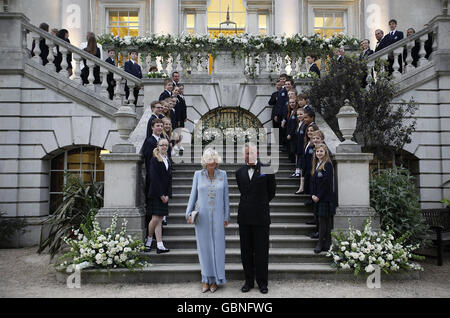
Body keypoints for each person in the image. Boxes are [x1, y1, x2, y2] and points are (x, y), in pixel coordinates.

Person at [186, 148, 230, 293]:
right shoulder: (197, 175)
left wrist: (226, 216)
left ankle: (216, 279)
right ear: (205, 162)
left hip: (218, 217)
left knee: (218, 249)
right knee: (204, 249)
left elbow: (226, 198)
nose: (212, 165)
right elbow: (193, 195)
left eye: (214, 162)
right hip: (202, 217)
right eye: (209, 162)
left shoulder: (223, 174)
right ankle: (206, 279)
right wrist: (188, 213)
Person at [236, 143, 276, 294]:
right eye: (246, 153)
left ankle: (262, 282)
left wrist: (260, 203)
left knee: (261, 251)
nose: (249, 155)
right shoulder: (239, 172)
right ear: (243, 155)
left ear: (257, 153)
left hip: (261, 216)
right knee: (245, 251)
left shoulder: (267, 169)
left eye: (251, 152)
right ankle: (248, 281)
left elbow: (271, 192)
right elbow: (243, 192)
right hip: (245, 216)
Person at [146, 138, 172, 254]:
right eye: (162, 145)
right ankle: (149, 240)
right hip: (156, 193)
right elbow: (154, 179)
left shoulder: (167, 159)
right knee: (155, 218)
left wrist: (167, 195)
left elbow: (169, 180)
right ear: (158, 146)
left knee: (159, 219)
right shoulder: (154, 160)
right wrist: (161, 194)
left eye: (166, 145)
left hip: (164, 194)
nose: (164, 147)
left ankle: (159, 244)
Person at [142, 118, 165, 243]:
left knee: (159, 215)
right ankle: (150, 239)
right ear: (152, 127)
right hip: (153, 183)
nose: (160, 127)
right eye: (157, 125)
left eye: (161, 125)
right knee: (153, 214)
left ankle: (157, 239)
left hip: (161, 183)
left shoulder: (161, 141)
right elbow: (148, 162)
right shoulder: (149, 141)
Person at [311, 143, 335, 253]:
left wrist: (319, 196)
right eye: (317, 151)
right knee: (323, 221)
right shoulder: (316, 164)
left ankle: (321, 243)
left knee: (325, 222)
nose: (319, 153)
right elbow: (314, 182)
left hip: (325, 198)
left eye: (321, 151)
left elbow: (327, 183)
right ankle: (326, 243)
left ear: (325, 153)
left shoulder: (328, 165)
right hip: (317, 197)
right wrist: (313, 194)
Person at [295, 109, 315, 194]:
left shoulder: (312, 126)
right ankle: (302, 188)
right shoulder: (304, 126)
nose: (304, 119)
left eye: (306, 117)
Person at [286, 98, 298, 163]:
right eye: (290, 102)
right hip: (290, 135)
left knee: (294, 151)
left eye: (293, 102)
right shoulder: (290, 111)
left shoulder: (297, 112)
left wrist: (290, 134)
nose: (291, 104)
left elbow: (295, 125)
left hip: (294, 135)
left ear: (296, 103)